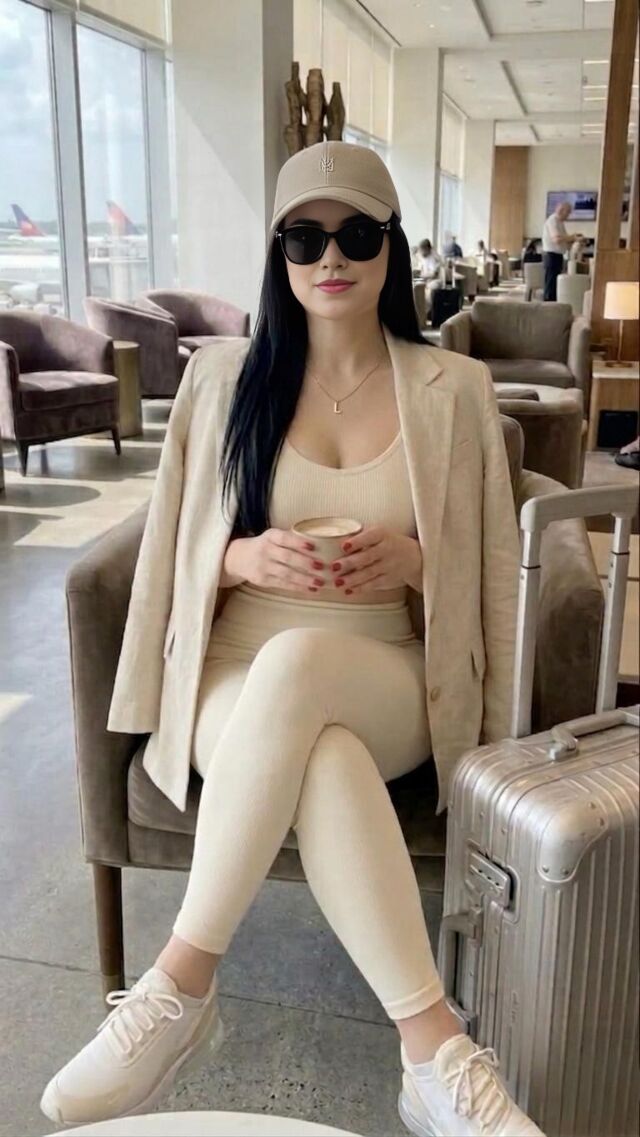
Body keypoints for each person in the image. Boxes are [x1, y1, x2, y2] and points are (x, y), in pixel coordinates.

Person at [40, 141, 543, 1137]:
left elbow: (489, 567)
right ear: (278, 254)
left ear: (391, 246)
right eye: (304, 238)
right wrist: (237, 560)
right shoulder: (222, 376)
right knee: (323, 751)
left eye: (356, 233)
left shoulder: (453, 386)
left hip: (388, 666)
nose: (331, 256)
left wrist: (417, 563)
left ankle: (180, 985)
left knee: (307, 667)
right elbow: (170, 542)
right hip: (233, 672)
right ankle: (433, 1053)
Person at [542, 201, 581, 301]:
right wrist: (572, 237)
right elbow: (557, 239)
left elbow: (564, 242)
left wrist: (574, 240)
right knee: (550, 286)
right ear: (562, 211)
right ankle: (548, 306)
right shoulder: (552, 221)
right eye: (568, 212)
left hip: (557, 256)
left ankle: (553, 305)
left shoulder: (560, 222)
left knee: (555, 285)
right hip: (551, 256)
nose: (568, 215)